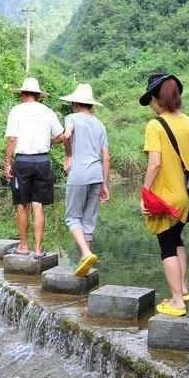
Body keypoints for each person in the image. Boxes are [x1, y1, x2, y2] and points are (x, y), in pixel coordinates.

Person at [140, 73, 189, 317]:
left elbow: (154, 164)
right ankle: (182, 289)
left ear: (157, 98)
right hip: (187, 196)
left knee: (166, 247)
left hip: (166, 198)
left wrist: (145, 193)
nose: (151, 105)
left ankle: (177, 302)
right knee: (177, 240)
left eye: (151, 100)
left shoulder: (155, 125)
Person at [4, 77, 64, 256]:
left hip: (22, 161)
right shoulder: (47, 111)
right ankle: (38, 249)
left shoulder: (16, 111)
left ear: (23, 94)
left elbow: (12, 139)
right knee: (38, 205)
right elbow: (61, 136)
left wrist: (8, 163)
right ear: (38, 95)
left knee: (22, 205)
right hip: (42, 162)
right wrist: (49, 142)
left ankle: (23, 246)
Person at [59, 83, 110, 276]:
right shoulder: (100, 124)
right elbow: (106, 156)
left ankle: (87, 252)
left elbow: (66, 135)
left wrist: (68, 154)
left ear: (74, 103)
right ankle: (85, 262)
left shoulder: (71, 118)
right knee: (88, 221)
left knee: (72, 218)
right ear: (90, 105)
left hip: (78, 174)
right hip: (96, 175)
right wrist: (105, 183)